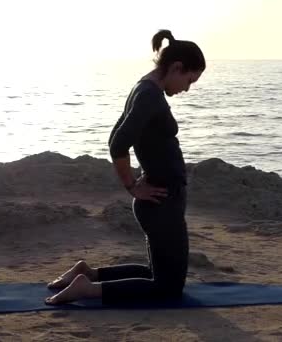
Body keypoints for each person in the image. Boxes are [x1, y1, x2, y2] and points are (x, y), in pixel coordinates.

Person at [45, 29, 206, 305]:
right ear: (176, 67)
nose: (187, 89)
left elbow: (115, 136)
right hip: (161, 200)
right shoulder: (149, 95)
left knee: (159, 275)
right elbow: (118, 143)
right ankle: (88, 289)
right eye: (189, 80)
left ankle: (89, 274)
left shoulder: (145, 88)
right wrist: (132, 186)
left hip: (162, 199)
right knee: (168, 288)